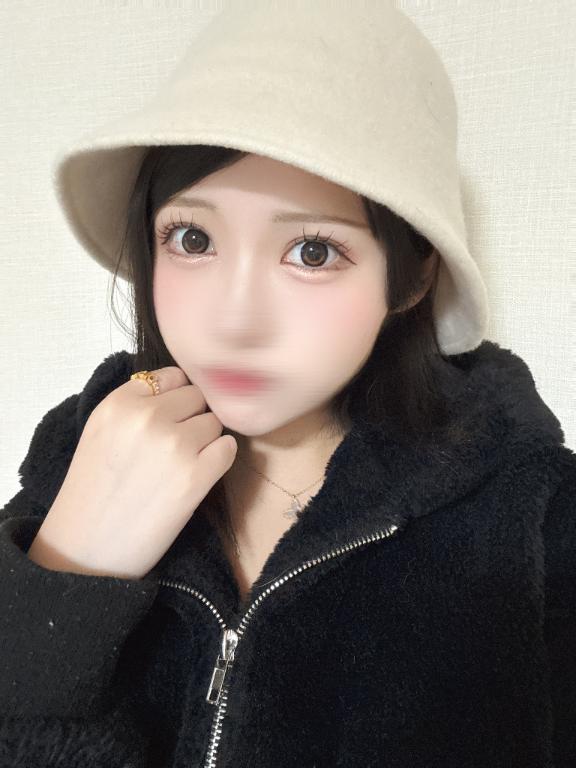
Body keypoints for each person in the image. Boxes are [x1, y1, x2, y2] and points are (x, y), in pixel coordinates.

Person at [1, 2, 574, 767]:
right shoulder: (77, 465)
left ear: (411, 278)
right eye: (192, 238)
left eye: (312, 251)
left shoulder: (537, 525)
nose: (234, 320)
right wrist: (61, 576)